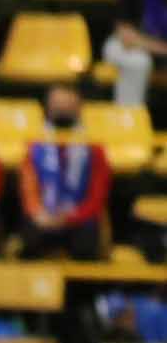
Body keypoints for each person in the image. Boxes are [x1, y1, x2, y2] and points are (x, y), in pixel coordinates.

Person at [7, 84, 110, 263]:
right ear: (48, 108)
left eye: (67, 106)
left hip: (79, 218)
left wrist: (71, 217)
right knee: (30, 236)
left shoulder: (94, 147)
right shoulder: (35, 145)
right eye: (57, 106)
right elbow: (28, 187)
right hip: (43, 217)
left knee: (86, 241)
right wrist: (38, 213)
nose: (62, 110)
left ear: (78, 108)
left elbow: (98, 195)